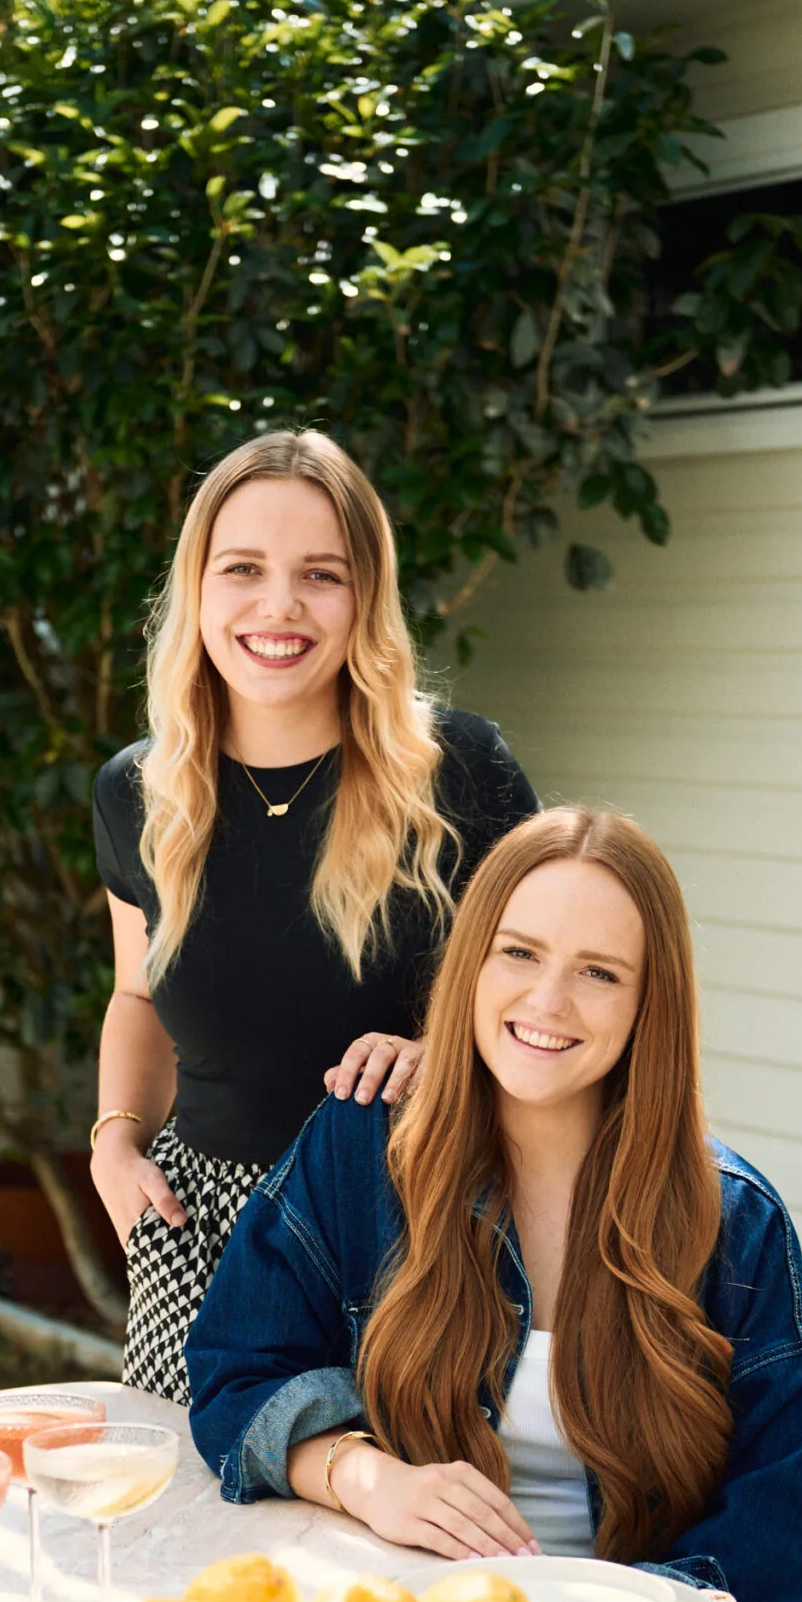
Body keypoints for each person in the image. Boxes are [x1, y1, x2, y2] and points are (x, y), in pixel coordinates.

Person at [187, 807, 802, 1602]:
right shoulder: (362, 1149)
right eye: (518, 953)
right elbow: (233, 1374)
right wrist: (365, 1476)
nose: (547, 1003)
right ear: (471, 962)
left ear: (648, 1005)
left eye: (598, 973)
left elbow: (796, 1522)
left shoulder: (731, 1216)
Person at [91, 429, 538, 1400]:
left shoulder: (460, 773)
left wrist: (445, 1052)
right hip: (199, 1239)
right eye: (243, 568)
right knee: (206, 1544)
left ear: (365, 597)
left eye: (321, 575)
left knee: (409, 1534)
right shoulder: (138, 792)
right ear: (199, 588)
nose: (279, 605)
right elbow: (136, 996)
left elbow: (550, 993)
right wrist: (112, 1138)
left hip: (415, 1229)